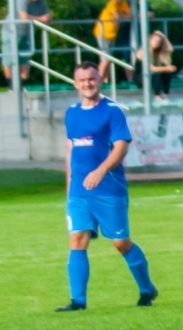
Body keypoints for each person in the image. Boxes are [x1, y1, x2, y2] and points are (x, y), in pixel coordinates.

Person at [57, 62, 157, 312]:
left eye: (91, 79)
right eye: (82, 80)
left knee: (120, 242)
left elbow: (121, 147)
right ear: (75, 83)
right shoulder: (71, 113)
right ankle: (78, 300)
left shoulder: (112, 111)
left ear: (100, 79)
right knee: (77, 238)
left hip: (108, 189)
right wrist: (69, 186)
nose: (87, 84)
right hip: (80, 191)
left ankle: (147, 289)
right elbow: (70, 150)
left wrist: (100, 171)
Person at [3, 0, 51, 84]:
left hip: (27, 32)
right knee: (9, 58)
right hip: (11, 32)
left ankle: (23, 85)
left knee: (25, 58)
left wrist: (45, 18)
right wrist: (41, 19)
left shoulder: (41, 1)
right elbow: (24, 17)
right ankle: (10, 84)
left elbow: (48, 16)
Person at [94, 0, 132, 83]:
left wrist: (121, 16)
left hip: (112, 34)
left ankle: (105, 80)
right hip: (102, 33)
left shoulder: (123, 3)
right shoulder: (112, 3)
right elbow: (117, 18)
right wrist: (122, 16)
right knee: (105, 59)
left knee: (108, 59)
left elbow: (130, 16)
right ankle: (98, 80)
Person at [142, 31, 177, 99]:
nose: (156, 43)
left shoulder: (157, 52)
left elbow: (170, 49)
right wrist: (167, 68)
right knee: (158, 72)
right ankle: (156, 95)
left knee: (166, 72)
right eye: (155, 40)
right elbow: (150, 68)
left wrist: (163, 36)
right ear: (150, 40)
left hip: (150, 76)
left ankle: (166, 94)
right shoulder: (144, 51)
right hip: (142, 76)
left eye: (159, 41)